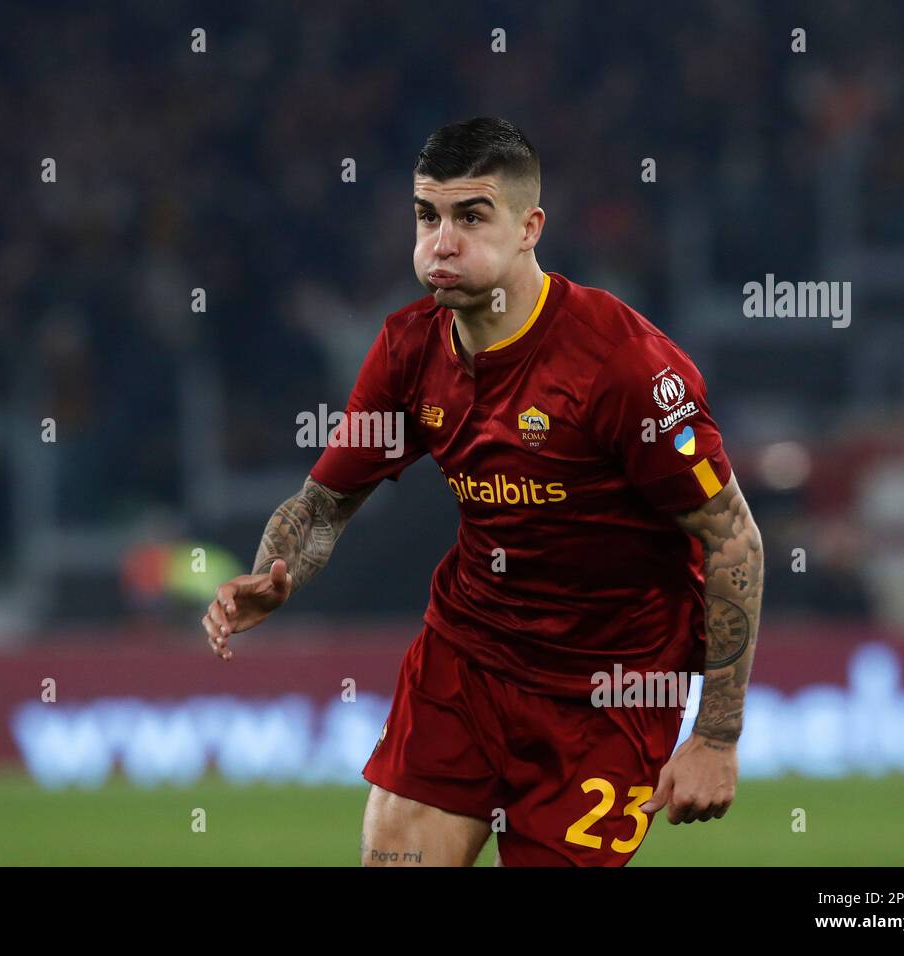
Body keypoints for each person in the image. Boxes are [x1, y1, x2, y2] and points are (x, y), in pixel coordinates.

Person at [201, 117, 764, 866]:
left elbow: (732, 538)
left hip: (610, 692)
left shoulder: (623, 367)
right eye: (426, 216)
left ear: (530, 227)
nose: (441, 242)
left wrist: (717, 738)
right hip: (468, 659)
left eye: (471, 217)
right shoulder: (409, 349)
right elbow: (325, 504)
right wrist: (279, 575)